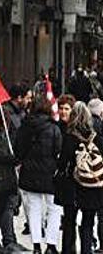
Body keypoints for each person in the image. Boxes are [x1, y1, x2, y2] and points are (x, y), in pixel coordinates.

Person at [16, 93, 63, 254]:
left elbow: (18, 151)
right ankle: (51, 244)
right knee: (54, 208)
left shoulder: (25, 126)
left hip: (29, 172)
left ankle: (36, 244)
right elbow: (58, 150)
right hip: (50, 173)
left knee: (33, 209)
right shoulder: (54, 128)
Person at [59, 102, 103, 254]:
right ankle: (86, 250)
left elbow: (62, 162)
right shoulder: (96, 136)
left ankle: (68, 250)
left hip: (72, 185)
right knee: (88, 222)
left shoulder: (69, 136)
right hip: (92, 185)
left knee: (69, 221)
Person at [0, 103, 20, 254]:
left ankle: (1, 240)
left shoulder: (4, 133)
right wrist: (17, 158)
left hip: (6, 178)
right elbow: (2, 156)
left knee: (3, 210)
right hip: (1, 178)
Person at [57, 93, 79, 254]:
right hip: (63, 180)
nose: (63, 111)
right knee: (67, 217)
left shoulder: (76, 131)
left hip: (75, 180)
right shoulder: (56, 128)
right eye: (61, 108)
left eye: (66, 108)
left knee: (71, 217)